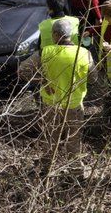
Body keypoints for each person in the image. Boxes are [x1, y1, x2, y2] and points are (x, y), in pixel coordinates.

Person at [19, 18, 95, 172]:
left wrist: (42, 81)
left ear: (55, 35)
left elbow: (22, 70)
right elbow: (94, 78)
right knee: (74, 140)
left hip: (50, 104)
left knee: (50, 138)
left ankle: (47, 168)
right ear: (69, 35)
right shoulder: (84, 53)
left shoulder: (45, 52)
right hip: (74, 105)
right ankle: (75, 171)